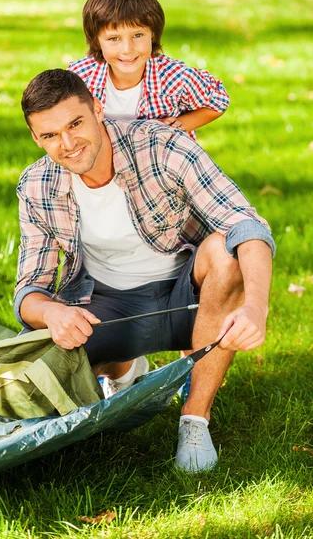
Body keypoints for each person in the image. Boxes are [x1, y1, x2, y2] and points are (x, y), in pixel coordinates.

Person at [15, 69, 275, 473]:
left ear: (98, 109)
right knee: (31, 369)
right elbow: (31, 288)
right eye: (49, 136)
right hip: (107, 307)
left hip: (184, 300)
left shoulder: (161, 145)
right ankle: (122, 366)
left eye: (75, 124)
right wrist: (53, 313)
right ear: (36, 138)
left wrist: (256, 305)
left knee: (226, 255)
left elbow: (245, 223)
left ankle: (194, 420)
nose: (67, 144)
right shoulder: (37, 185)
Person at [68, 0, 230, 139]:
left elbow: (218, 99)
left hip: (161, 160)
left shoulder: (174, 78)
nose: (127, 49)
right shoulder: (80, 79)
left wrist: (181, 124)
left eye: (137, 35)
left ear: (152, 33)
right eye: (114, 39)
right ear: (97, 40)